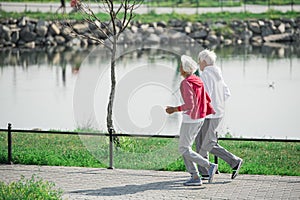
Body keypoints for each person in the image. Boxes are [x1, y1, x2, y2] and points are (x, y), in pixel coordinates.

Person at [166, 55, 218, 186]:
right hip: (200, 118)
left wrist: (174, 109)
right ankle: (195, 176)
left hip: (190, 119)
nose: (179, 69)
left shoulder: (186, 83)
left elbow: (190, 105)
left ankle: (209, 166)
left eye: (180, 66)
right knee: (185, 147)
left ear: (184, 69)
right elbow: (206, 99)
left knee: (183, 148)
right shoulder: (197, 80)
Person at [195, 49, 243, 180]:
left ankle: (234, 161)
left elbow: (205, 95)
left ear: (204, 62)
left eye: (199, 61)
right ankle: (205, 172)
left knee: (207, 143)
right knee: (201, 142)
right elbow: (227, 93)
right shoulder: (217, 75)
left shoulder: (205, 75)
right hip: (217, 114)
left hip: (208, 115)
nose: (198, 64)